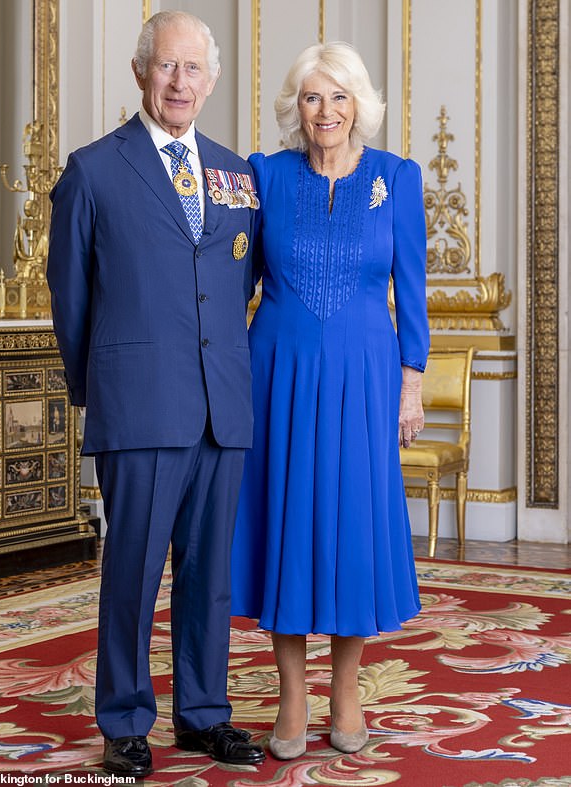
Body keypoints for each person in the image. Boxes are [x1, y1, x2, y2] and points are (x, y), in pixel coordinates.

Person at [47, 11, 265, 778]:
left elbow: (246, 281)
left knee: (210, 573)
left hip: (221, 406)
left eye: (194, 69)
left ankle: (204, 713)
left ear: (211, 80)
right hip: (139, 403)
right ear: (142, 73)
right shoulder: (93, 170)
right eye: (167, 67)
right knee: (134, 569)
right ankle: (126, 718)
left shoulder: (239, 173)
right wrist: (99, 387)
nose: (180, 82)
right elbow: (70, 300)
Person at [231, 42, 430, 760]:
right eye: (313, 97)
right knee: (284, 519)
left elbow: (413, 289)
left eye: (339, 96)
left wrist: (412, 383)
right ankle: (291, 696)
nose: (326, 111)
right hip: (276, 370)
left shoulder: (397, 178)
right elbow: (235, 283)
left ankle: (345, 688)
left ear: (359, 105)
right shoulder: (265, 176)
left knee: (350, 525)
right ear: (297, 108)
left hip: (365, 377)